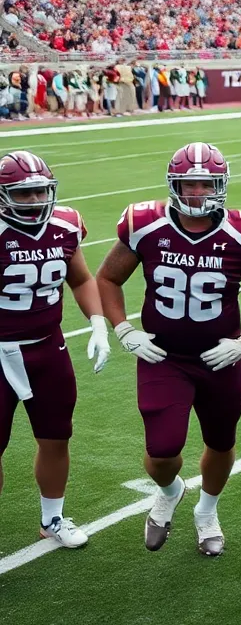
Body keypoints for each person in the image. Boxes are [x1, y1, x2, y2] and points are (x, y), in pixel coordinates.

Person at [96, 143, 241, 557]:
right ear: (173, 185)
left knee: (221, 442)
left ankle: (207, 511)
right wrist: (124, 329)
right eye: (189, 183)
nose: (198, 192)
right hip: (162, 357)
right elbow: (108, 279)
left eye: (207, 184)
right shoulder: (144, 224)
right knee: (162, 451)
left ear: (221, 185)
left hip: (220, 359)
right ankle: (170, 492)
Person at [0, 152, 110, 549]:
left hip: (48, 348)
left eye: (40, 191)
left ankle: (52, 519)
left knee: (56, 437)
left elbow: (80, 278)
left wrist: (97, 323)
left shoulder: (65, 224)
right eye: (23, 193)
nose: (34, 201)